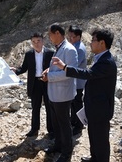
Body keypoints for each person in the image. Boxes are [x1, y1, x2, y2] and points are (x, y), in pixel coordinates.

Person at [52, 29, 117, 162]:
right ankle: (95, 157)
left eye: (93, 40)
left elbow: (88, 74)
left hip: (101, 109)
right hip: (94, 107)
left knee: (101, 139)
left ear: (102, 43)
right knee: (93, 135)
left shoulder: (106, 61)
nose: (90, 43)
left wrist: (65, 67)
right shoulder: (100, 58)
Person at [42, 24, 78, 162]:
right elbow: (56, 67)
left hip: (63, 94)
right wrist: (48, 71)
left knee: (64, 124)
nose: (49, 38)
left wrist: (49, 77)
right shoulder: (59, 48)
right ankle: (58, 145)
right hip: (54, 94)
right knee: (56, 123)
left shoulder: (69, 49)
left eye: (50, 35)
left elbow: (69, 72)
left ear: (57, 33)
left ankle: (66, 153)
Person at [11, 32, 54, 138]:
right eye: (34, 42)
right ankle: (34, 129)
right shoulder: (29, 54)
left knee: (49, 107)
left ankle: (51, 130)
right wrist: (15, 71)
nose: (36, 44)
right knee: (35, 107)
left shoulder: (50, 53)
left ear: (43, 41)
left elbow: (54, 68)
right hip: (35, 83)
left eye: (38, 41)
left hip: (48, 82)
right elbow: (24, 68)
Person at [67, 25, 87, 136]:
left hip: (78, 81)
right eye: (70, 36)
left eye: (73, 37)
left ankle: (79, 125)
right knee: (74, 103)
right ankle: (74, 121)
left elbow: (74, 64)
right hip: (75, 80)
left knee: (78, 103)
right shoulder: (75, 45)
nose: (71, 38)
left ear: (79, 36)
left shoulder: (79, 48)